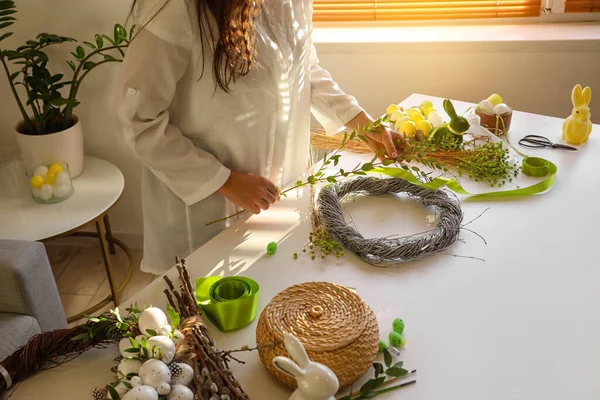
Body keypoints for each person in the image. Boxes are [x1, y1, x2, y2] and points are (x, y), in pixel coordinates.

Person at [115, 0, 402, 274]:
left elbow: (303, 69)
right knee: (205, 309)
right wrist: (224, 180)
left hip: (278, 195)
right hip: (207, 207)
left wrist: (362, 122)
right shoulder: (173, 9)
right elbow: (139, 120)